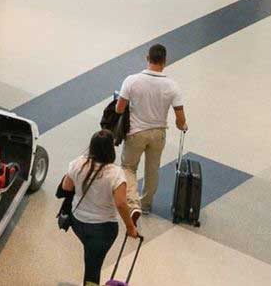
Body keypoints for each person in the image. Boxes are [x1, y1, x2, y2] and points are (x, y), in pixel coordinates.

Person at [59, 130, 139, 286]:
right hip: (103, 230)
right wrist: (130, 227)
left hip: (78, 222)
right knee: (93, 269)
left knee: (91, 257)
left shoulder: (78, 163)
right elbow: (121, 203)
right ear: (111, 149)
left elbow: (66, 186)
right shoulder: (115, 174)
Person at [116, 44, 187, 215]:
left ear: (147, 58)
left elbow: (119, 109)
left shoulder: (132, 80)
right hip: (158, 134)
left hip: (135, 133)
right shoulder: (172, 86)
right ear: (165, 61)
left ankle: (133, 205)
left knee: (128, 168)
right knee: (152, 170)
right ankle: (146, 205)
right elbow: (181, 119)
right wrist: (182, 125)